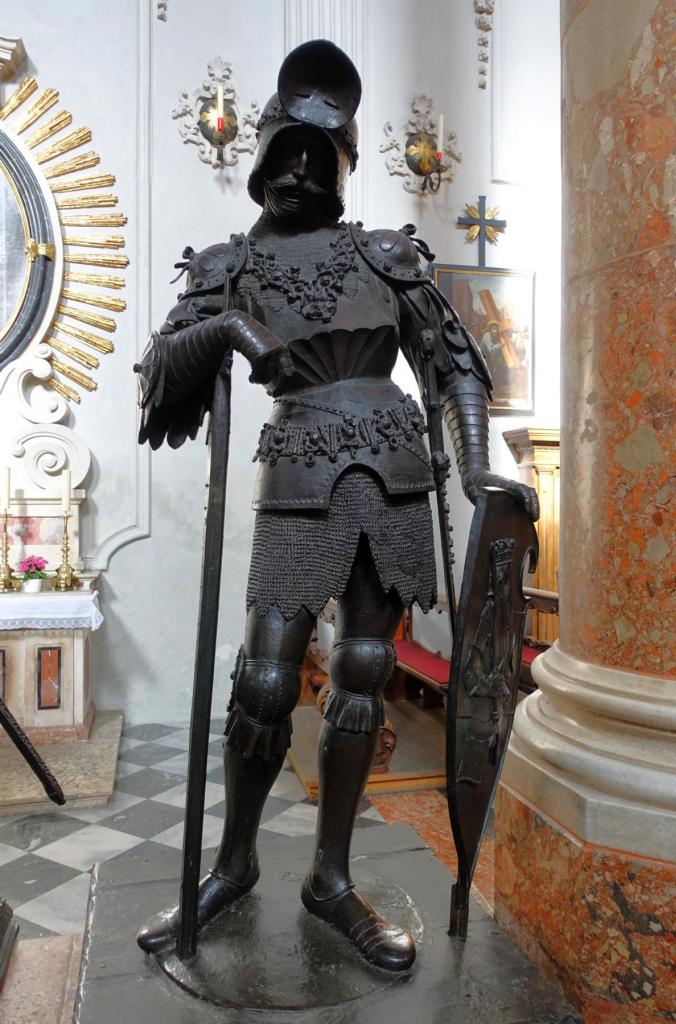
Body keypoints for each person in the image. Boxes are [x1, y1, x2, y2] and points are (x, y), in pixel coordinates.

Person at [134, 39, 538, 972]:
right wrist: (230, 326)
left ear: (344, 163)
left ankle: (330, 877)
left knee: (361, 670)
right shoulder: (228, 265)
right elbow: (159, 375)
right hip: (300, 473)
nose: (301, 172)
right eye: (287, 156)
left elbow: (455, 370)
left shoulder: (389, 255)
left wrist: (478, 467)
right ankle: (232, 865)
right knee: (266, 681)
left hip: (394, 469)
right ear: (263, 158)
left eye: (319, 159)